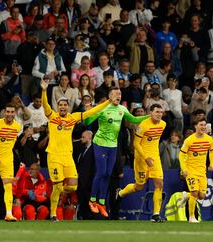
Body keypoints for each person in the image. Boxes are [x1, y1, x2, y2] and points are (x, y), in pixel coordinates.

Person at [40, 78, 116, 221]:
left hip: (67, 157)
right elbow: (44, 105)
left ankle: (54, 191)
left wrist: (108, 102)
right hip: (54, 156)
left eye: (65, 105)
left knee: (73, 187)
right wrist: (44, 90)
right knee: (57, 186)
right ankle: (53, 214)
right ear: (57, 106)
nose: (62, 107)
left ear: (68, 107)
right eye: (60, 105)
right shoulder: (52, 117)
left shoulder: (73, 118)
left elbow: (92, 111)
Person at [84, 88, 148, 218]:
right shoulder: (102, 108)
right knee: (101, 173)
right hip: (100, 144)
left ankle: (101, 203)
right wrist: (87, 112)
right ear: (109, 96)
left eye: (120, 94)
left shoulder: (122, 109)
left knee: (108, 174)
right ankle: (92, 201)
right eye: (115, 94)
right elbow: (87, 122)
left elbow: (134, 120)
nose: (118, 95)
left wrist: (149, 116)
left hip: (113, 146)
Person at [115, 104, 166, 222]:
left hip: (155, 158)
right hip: (141, 159)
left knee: (159, 184)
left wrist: (151, 156)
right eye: (157, 112)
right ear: (151, 113)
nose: (159, 114)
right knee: (139, 186)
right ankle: (121, 193)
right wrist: (145, 157)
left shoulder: (163, 124)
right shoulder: (143, 125)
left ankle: (156, 214)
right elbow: (136, 144)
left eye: (161, 112)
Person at [179, 117, 213, 223]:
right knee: (194, 193)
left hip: (202, 171)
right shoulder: (189, 140)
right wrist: (184, 169)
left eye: (204, 125)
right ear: (196, 126)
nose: (203, 127)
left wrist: (211, 164)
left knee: (201, 196)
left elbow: (212, 151)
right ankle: (191, 217)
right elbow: (181, 155)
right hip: (190, 170)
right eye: (201, 125)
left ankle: (186, 195)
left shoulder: (209, 139)